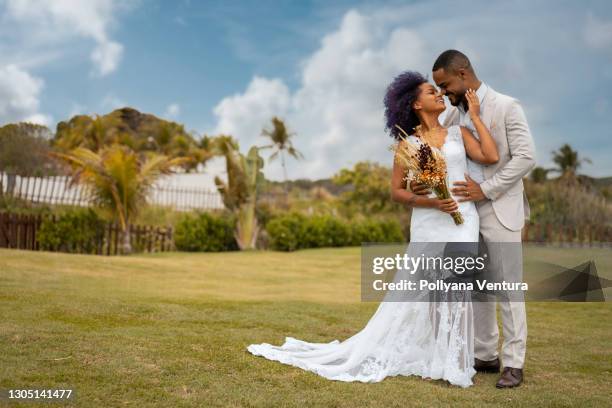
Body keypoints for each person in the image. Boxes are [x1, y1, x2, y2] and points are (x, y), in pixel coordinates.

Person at [247, 69, 499, 388]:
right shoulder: (407, 145)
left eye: (438, 90)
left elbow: (490, 156)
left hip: (463, 219)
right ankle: (439, 359)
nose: (438, 93)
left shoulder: (458, 133)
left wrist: (475, 116)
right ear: (416, 105)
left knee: (458, 289)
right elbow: (397, 192)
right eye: (429, 91)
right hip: (430, 223)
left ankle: (457, 363)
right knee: (434, 293)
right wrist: (433, 201)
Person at [413, 49, 536, 388]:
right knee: (479, 287)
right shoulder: (452, 116)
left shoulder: (507, 106)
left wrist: (487, 189)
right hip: (467, 218)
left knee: (507, 288)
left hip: (499, 209)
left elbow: (526, 157)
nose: (443, 92)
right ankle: (485, 353)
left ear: (463, 73)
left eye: (445, 84)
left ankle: (514, 363)